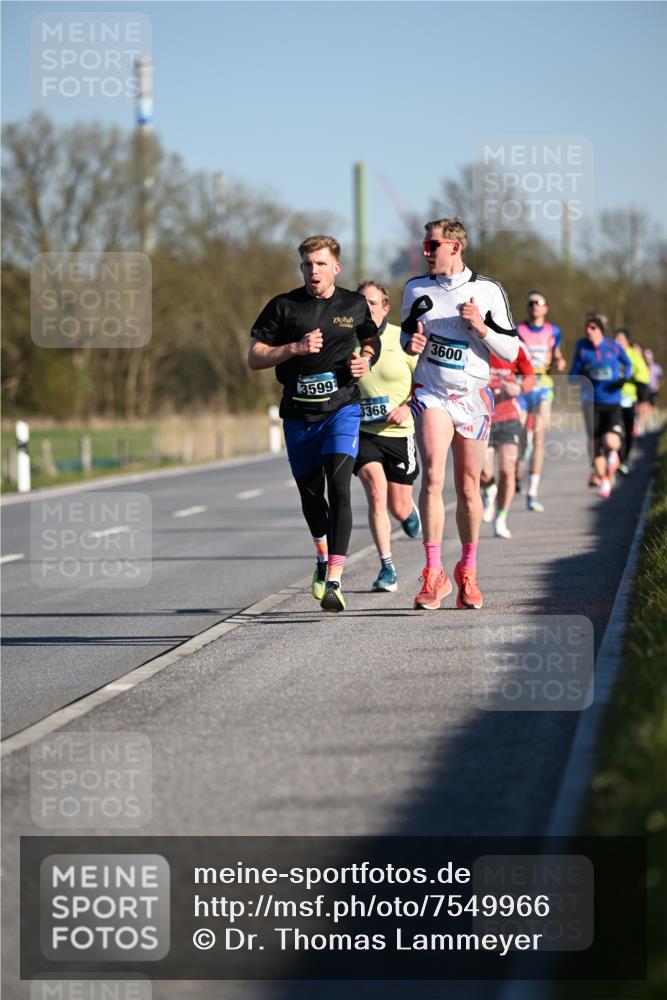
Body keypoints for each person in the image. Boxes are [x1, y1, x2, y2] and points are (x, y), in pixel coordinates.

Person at [248, 235, 380, 612]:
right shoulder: (283, 307)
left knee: (340, 487)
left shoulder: (353, 304)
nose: (313, 271)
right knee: (312, 496)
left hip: (342, 409)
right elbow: (254, 357)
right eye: (307, 264)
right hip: (299, 415)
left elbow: (371, 339)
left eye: (320, 264)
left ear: (336, 267)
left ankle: (336, 580)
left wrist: (366, 359)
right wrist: (294, 349)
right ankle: (322, 556)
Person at [401, 217, 519, 610]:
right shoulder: (416, 289)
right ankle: (433, 573)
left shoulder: (487, 291)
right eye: (425, 245)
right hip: (432, 392)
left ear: (455, 246)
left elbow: (512, 352)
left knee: (468, 485)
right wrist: (413, 344)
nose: (426, 252)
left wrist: (481, 329)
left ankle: (466, 571)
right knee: (433, 475)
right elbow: (406, 338)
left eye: (432, 245)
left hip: (472, 397)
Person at [354, 281, 421, 592]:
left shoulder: (401, 338)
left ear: (385, 307)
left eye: (372, 302)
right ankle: (387, 568)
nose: (366, 308)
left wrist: (408, 407)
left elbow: (424, 382)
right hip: (364, 431)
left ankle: (408, 512)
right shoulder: (347, 341)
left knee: (398, 507)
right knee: (376, 493)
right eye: (361, 302)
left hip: (399, 433)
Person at [569, 313, 632, 498]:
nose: (588, 331)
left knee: (610, 441)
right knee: (595, 445)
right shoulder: (582, 347)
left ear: (600, 330)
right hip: (591, 403)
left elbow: (627, 365)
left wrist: (623, 379)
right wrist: (582, 374)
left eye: (592, 328)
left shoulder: (613, 346)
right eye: (586, 328)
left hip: (612, 402)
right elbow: (573, 376)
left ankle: (614, 455)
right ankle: (604, 481)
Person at [515, 291, 567, 512]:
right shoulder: (518, 329)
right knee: (518, 436)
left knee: (539, 437)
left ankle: (532, 491)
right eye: (531, 303)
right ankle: (516, 475)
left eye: (539, 303)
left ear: (545, 309)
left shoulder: (553, 331)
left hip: (543, 385)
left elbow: (557, 353)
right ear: (528, 308)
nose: (535, 306)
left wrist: (560, 360)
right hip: (523, 385)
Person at [480, 344, 536, 538]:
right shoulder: (475, 341)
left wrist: (519, 387)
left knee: (507, 470)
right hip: (481, 417)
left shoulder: (516, 347)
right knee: (483, 472)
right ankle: (489, 491)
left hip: (509, 417)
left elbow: (531, 377)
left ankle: (501, 518)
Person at [614, 329, 641, 475]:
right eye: (616, 339)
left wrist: (633, 375)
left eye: (621, 340)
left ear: (627, 341)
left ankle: (625, 457)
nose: (618, 342)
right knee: (616, 430)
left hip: (629, 398)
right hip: (613, 397)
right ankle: (619, 457)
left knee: (628, 431)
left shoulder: (634, 356)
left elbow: (645, 375)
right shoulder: (611, 353)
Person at [629, 339, 651, 435]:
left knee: (644, 406)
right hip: (635, 384)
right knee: (637, 406)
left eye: (637, 349)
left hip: (643, 384)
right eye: (634, 349)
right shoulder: (631, 358)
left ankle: (640, 426)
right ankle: (636, 424)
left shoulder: (643, 360)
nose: (636, 351)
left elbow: (647, 372)